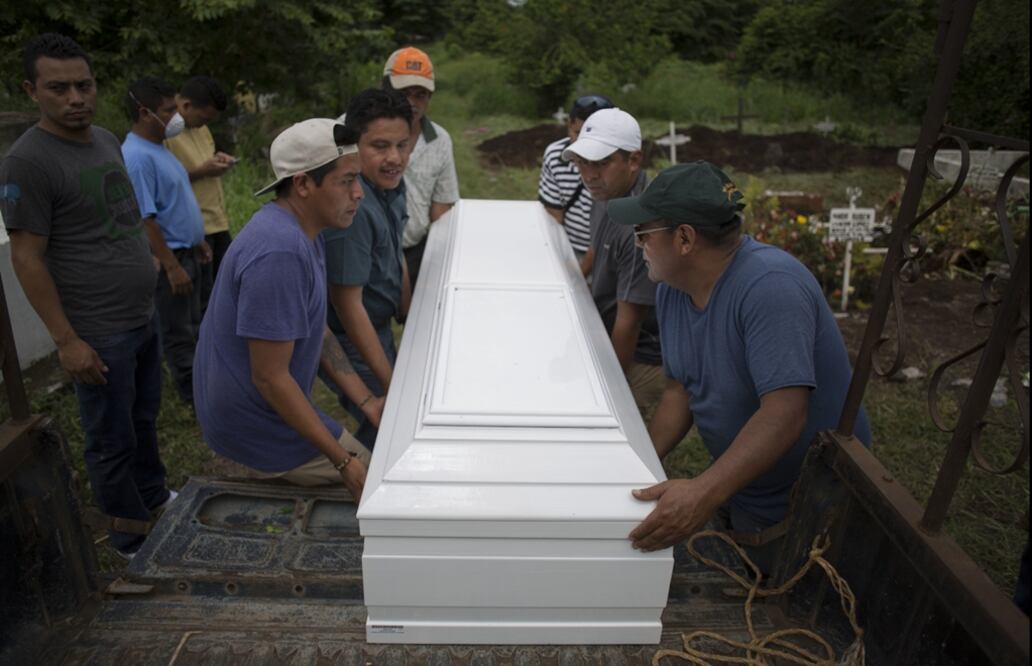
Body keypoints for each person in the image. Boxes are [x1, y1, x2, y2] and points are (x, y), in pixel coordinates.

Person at [609, 161, 871, 571]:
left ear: (684, 239)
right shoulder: (673, 288)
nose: (638, 244)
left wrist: (703, 492)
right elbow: (680, 392)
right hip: (748, 490)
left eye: (643, 233)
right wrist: (631, 467)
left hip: (811, 505)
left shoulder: (770, 287)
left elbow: (785, 413)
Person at [0, 33, 174, 558]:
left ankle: (154, 500)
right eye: (59, 88)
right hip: (97, 331)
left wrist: (147, 259)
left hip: (140, 316)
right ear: (32, 90)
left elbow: (119, 212)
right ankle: (127, 537)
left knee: (143, 420)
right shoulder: (28, 162)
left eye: (84, 84)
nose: (75, 97)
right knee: (109, 437)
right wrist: (66, 340)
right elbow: (26, 257)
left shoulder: (103, 138)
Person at [193, 118, 383, 498]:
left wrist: (367, 402)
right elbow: (271, 378)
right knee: (379, 483)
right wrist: (343, 461)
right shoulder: (279, 251)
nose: (359, 194)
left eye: (357, 179)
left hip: (266, 413)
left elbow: (315, 327)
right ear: (302, 184)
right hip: (257, 427)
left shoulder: (305, 233)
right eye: (346, 181)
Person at [322, 89, 412, 451]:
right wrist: (392, 383)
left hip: (379, 322)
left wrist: (408, 309)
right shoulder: (353, 209)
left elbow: (396, 248)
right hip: (350, 336)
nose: (395, 158)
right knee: (388, 419)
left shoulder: (390, 183)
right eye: (380, 146)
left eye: (403, 145)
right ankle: (359, 480)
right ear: (354, 146)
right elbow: (348, 306)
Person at [562, 108, 664, 419]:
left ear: (634, 160)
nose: (589, 175)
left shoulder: (640, 228)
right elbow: (595, 249)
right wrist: (570, 287)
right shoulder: (605, 192)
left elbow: (628, 323)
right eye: (582, 163)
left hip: (638, 356)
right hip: (608, 330)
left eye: (602, 163)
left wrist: (607, 390)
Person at [122, 77, 209, 405]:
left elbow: (173, 201)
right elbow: (145, 219)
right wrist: (171, 266)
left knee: (196, 326)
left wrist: (197, 239)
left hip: (188, 253)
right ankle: (193, 397)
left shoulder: (159, 149)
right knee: (179, 333)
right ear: (145, 113)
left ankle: (205, 388)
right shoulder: (136, 157)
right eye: (169, 110)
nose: (177, 117)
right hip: (172, 260)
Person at [381, 46, 459, 286]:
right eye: (403, 93)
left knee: (415, 318)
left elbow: (442, 209)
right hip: (365, 250)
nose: (411, 103)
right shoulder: (354, 128)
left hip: (415, 250)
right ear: (385, 89)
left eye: (420, 95)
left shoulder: (440, 140)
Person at [165, 75, 234, 314]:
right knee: (201, 305)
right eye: (203, 117)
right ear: (185, 106)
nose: (204, 123)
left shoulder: (201, 129)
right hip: (194, 229)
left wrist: (218, 162)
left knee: (226, 294)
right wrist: (201, 171)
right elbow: (164, 181)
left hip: (217, 221)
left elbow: (204, 161)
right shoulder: (166, 131)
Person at [538, 94, 613, 265]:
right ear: (569, 126)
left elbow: (605, 233)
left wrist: (580, 277)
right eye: (578, 133)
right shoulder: (555, 155)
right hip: (570, 249)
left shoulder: (615, 165)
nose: (582, 143)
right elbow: (553, 215)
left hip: (605, 253)